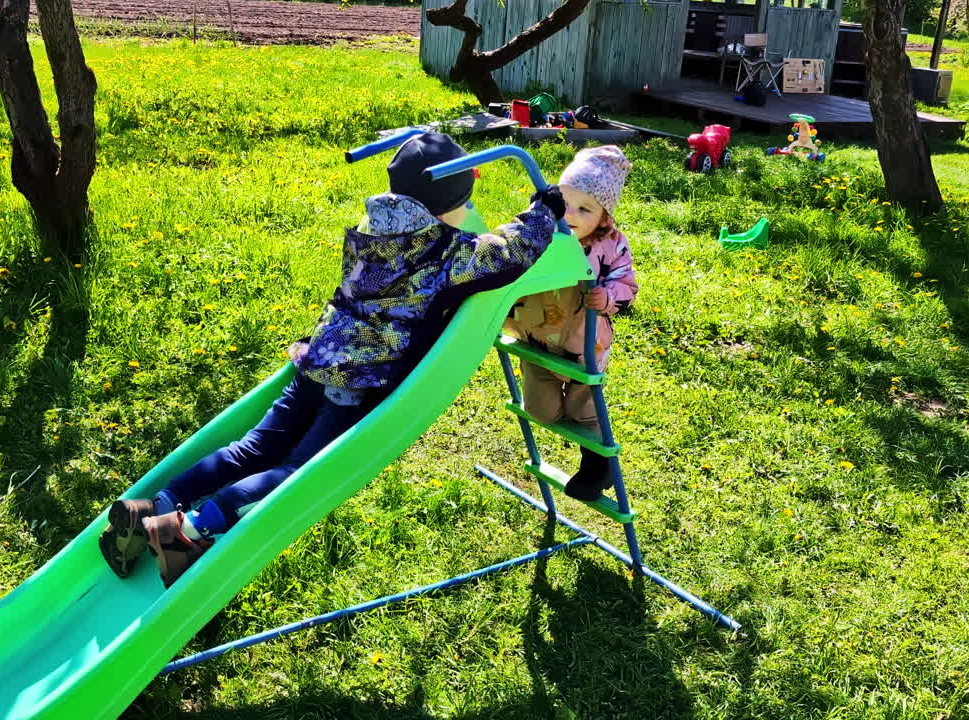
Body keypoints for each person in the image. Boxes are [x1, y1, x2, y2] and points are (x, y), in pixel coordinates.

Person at [100, 132, 568, 587]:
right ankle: (190, 529)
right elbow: (511, 251)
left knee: (252, 449)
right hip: (359, 380)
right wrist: (543, 211)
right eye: (464, 203)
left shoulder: (372, 228)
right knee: (297, 472)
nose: (467, 213)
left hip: (317, 355)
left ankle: (155, 505)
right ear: (446, 207)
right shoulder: (447, 253)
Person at [503, 145, 639, 501]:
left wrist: (608, 298)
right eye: (566, 203)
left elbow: (627, 285)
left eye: (585, 209)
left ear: (605, 216)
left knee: (585, 412)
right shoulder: (546, 231)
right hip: (537, 340)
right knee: (541, 411)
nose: (572, 215)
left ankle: (596, 468)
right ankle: (552, 408)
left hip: (584, 344)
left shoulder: (612, 245)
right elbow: (512, 243)